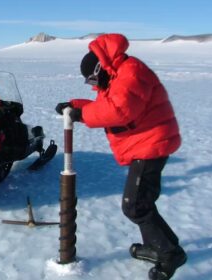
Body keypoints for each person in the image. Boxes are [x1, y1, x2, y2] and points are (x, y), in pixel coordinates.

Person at [55, 34, 186, 280]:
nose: (94, 84)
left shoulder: (131, 72)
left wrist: (82, 114)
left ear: (100, 67)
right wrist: (74, 104)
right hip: (146, 142)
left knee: (135, 205)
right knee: (141, 202)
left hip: (151, 143)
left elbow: (119, 110)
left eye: (92, 78)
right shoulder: (117, 74)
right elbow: (108, 102)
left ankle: (170, 253)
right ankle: (158, 245)